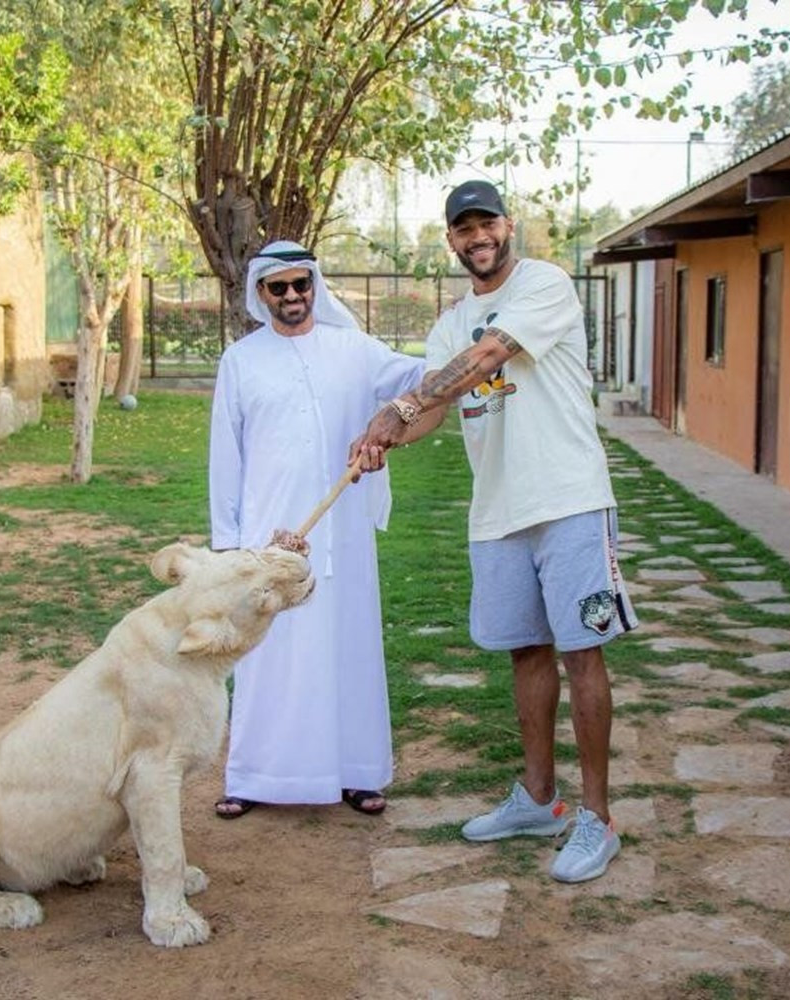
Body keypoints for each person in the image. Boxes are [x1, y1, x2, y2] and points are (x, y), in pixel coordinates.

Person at [353, 180, 638, 882]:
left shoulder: (544, 285)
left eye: (487, 224)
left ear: (509, 226)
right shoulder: (450, 324)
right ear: (449, 241)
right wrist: (383, 433)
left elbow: (487, 359)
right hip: (498, 515)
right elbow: (434, 408)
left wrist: (408, 402)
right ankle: (540, 799)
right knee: (525, 655)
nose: (477, 237)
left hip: (569, 499)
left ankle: (596, 818)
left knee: (584, 657)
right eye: (463, 229)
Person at [208, 239, 424, 819]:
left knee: (349, 648)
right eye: (279, 287)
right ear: (261, 293)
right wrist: (230, 543)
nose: (293, 296)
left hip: (344, 532)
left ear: (315, 286)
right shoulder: (241, 361)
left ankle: (357, 772)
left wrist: (468, 341)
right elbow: (225, 456)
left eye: (302, 284)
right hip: (269, 532)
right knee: (269, 654)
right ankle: (253, 776)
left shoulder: (354, 350)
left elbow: (421, 377)